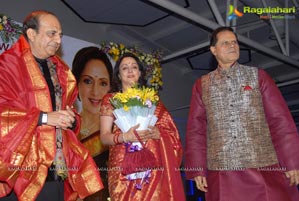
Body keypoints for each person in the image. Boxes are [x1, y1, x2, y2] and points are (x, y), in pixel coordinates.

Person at [184, 26, 299, 201]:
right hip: (222, 172)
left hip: (263, 168)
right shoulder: (202, 85)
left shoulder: (258, 76)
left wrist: (292, 163)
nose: (232, 46)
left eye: (235, 42)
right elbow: (196, 130)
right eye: (225, 43)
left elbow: (280, 120)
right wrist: (197, 169)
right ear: (213, 50)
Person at [0, 10, 103, 201]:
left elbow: (72, 113)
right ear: (31, 34)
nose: (58, 40)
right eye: (52, 33)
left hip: (55, 171)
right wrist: (45, 117)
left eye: (60, 35)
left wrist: (72, 121)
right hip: (20, 170)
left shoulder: (62, 71)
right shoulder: (7, 65)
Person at [100, 52, 185, 200]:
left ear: (140, 72)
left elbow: (172, 135)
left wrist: (159, 134)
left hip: (153, 166)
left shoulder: (153, 101)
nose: (130, 70)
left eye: (134, 67)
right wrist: (125, 137)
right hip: (122, 167)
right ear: (119, 75)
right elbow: (104, 137)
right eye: (125, 68)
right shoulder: (111, 100)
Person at [72, 46, 113, 201]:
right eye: (88, 81)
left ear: (110, 87)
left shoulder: (118, 130)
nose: (95, 92)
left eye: (102, 83)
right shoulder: (66, 130)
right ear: (76, 85)